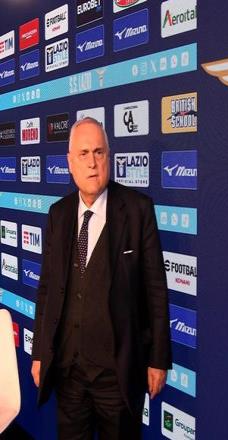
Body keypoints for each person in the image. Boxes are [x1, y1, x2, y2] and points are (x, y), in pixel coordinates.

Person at [31, 117, 171, 439]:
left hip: (117, 377)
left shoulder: (137, 210)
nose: (92, 163)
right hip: (68, 373)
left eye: (99, 152)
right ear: (70, 162)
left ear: (109, 156)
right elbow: (47, 289)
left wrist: (158, 359)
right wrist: (40, 353)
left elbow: (156, 290)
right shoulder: (58, 214)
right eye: (83, 154)